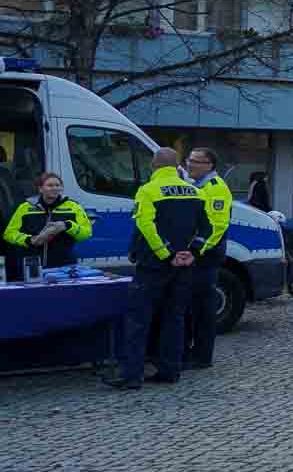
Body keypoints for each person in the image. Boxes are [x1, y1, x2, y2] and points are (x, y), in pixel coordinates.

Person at [104, 149, 209, 390]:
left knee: (138, 319)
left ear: (154, 165)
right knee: (174, 317)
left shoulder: (148, 190)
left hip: (154, 265)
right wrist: (190, 252)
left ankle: (132, 375)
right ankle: (170, 370)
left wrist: (167, 253)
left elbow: (146, 226)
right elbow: (207, 228)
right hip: (184, 266)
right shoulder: (196, 191)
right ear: (177, 166)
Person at [183, 147, 232, 371]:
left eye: (196, 161)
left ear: (210, 166)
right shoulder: (195, 185)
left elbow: (216, 226)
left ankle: (202, 356)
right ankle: (191, 351)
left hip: (206, 256)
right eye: (189, 160)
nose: (190, 164)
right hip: (196, 254)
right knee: (192, 306)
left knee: (204, 308)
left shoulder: (216, 188)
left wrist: (196, 250)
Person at [4, 171, 93, 279]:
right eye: (50, 185)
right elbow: (9, 233)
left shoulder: (74, 207)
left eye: (58, 185)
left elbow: (87, 233)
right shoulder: (25, 207)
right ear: (40, 188)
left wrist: (67, 226)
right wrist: (29, 240)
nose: (55, 188)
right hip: (34, 264)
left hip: (64, 264)